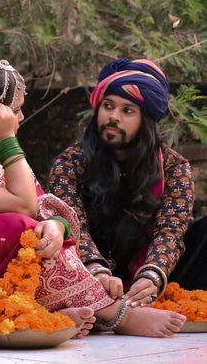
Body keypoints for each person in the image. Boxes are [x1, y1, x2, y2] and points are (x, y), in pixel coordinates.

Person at [0, 56, 186, 338]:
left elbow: (41, 205)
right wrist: (7, 139)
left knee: (37, 233)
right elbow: (23, 207)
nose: (21, 118)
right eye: (15, 110)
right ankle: (117, 316)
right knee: (6, 228)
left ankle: (45, 311)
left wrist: (56, 225)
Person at [49, 57, 207, 310]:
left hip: (153, 276)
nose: (113, 117)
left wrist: (152, 275)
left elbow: (171, 230)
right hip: (85, 272)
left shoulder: (173, 167)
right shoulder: (70, 163)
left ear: (146, 120)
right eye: (108, 106)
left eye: (127, 110)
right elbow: (71, 222)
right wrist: (94, 268)